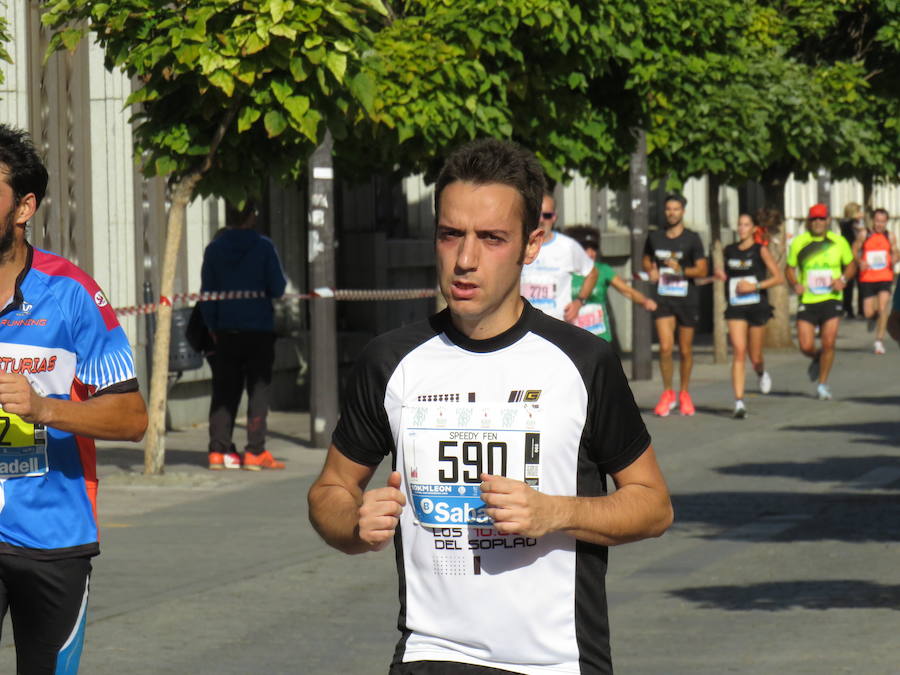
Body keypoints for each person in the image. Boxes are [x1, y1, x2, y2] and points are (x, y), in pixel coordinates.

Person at [307, 139, 673, 675]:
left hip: (554, 662)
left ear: (532, 245)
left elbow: (654, 505)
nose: (466, 259)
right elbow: (330, 491)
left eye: (492, 238)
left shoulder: (582, 362)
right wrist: (352, 523)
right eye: (450, 234)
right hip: (430, 655)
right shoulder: (391, 361)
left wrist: (556, 512)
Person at [0, 125, 148, 673]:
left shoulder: (72, 294)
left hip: (52, 537)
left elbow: (132, 418)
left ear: (24, 206)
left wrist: (45, 408)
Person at [199, 204, 287, 471]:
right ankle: (255, 451)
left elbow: (207, 295)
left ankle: (218, 450)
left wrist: (212, 327)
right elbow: (278, 287)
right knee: (258, 389)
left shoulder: (214, 248)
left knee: (224, 390)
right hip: (259, 329)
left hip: (225, 331)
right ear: (252, 216)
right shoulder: (263, 247)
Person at [642, 194, 708, 417]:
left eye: (676, 209)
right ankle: (668, 392)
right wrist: (651, 269)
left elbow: (702, 270)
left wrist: (681, 270)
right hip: (663, 298)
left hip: (686, 299)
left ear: (683, 212)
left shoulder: (692, 239)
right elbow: (646, 258)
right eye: (668, 209)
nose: (672, 213)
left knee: (685, 349)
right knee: (665, 347)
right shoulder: (655, 237)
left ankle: (685, 392)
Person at [713, 213, 784, 418]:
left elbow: (778, 277)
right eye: (739, 225)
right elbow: (727, 276)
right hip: (736, 307)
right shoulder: (730, 250)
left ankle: (761, 372)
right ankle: (739, 402)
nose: (742, 228)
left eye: (746, 225)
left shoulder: (760, 250)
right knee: (739, 350)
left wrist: (755, 286)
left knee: (754, 355)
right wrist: (721, 276)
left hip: (756, 305)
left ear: (754, 228)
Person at [786, 203, 856, 400]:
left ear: (828, 221)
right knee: (805, 346)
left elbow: (851, 265)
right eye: (814, 219)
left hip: (831, 298)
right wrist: (794, 284)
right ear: (809, 221)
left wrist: (842, 280)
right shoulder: (799, 243)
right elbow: (789, 268)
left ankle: (822, 385)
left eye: (821, 219)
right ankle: (817, 357)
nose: (818, 222)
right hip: (808, 299)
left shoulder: (838, 242)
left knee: (829, 342)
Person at [565, 225, 656, 342]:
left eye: (594, 249)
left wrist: (645, 301)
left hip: (599, 335)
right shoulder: (565, 272)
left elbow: (626, 291)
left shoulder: (603, 270)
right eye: (586, 249)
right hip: (573, 336)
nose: (591, 253)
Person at [519, 191, 598, 322]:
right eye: (538, 214)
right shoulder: (519, 244)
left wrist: (579, 302)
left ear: (554, 217)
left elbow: (592, 273)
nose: (541, 220)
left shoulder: (568, 246)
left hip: (557, 325)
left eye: (547, 215)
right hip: (523, 323)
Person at [853, 208, 898, 354]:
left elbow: (895, 251)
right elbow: (854, 250)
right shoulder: (864, 234)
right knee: (868, 312)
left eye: (883, 222)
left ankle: (879, 341)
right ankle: (872, 319)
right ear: (873, 220)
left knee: (883, 307)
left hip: (885, 276)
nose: (880, 224)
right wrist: (860, 261)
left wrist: (894, 259)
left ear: (886, 222)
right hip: (867, 277)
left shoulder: (889, 236)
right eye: (878, 221)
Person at [838, 202, 866, 318]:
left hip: (858, 256)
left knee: (861, 284)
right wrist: (855, 220)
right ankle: (847, 309)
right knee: (848, 284)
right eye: (858, 212)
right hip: (848, 256)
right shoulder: (846, 223)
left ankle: (861, 309)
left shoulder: (858, 224)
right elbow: (847, 224)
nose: (861, 214)